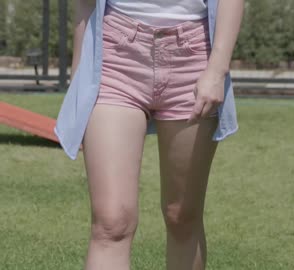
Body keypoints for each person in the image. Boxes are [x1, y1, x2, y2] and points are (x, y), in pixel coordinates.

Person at [55, 0, 243, 269]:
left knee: (182, 216)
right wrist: (78, 82)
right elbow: (85, 6)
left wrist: (217, 69)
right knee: (111, 223)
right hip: (114, 57)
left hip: (193, 57)